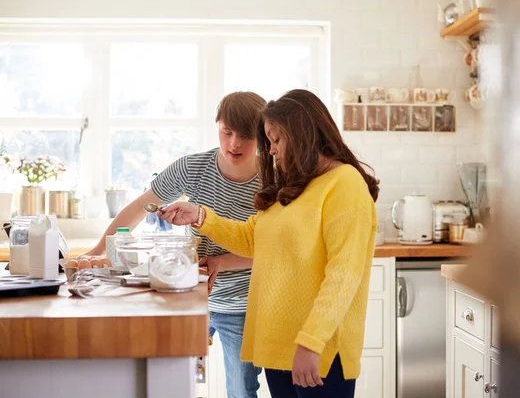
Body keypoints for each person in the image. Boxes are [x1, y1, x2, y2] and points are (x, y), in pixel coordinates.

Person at [158, 89, 380, 398]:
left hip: (317, 351)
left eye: (276, 140)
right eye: (269, 141)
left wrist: (310, 343)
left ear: (303, 134)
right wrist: (200, 216)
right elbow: (252, 239)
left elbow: (344, 276)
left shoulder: (345, 184)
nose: (271, 151)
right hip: (278, 346)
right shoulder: (294, 186)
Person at [86, 91, 266, 398]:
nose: (234, 143)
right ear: (218, 127)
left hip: (245, 305)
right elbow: (140, 206)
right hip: (190, 296)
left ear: (262, 135)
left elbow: (273, 247)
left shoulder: (274, 180)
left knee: (241, 391)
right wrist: (98, 249)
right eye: (226, 132)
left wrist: (223, 262)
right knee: (173, 382)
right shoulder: (194, 168)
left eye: (246, 136)